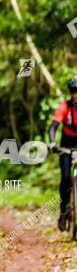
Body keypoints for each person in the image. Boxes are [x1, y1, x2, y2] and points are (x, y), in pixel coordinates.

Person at [48, 76, 77, 231]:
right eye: (74, 92)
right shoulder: (64, 107)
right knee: (66, 178)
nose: (76, 95)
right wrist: (53, 143)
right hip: (66, 145)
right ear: (71, 93)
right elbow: (53, 127)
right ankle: (64, 212)